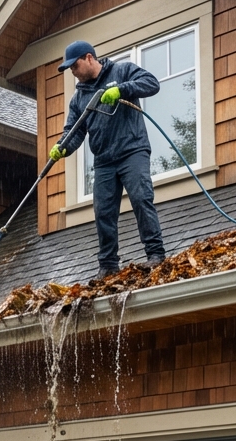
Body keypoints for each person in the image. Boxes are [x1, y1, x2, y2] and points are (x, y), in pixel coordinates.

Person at [50, 39, 166, 278]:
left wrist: (121, 90)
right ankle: (108, 266)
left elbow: (152, 84)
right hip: (103, 161)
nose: (73, 71)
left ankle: (155, 254)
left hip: (132, 150)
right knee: (103, 212)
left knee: (141, 198)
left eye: (75, 66)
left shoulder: (121, 71)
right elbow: (74, 131)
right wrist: (63, 147)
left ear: (89, 58)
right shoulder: (79, 99)